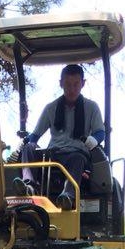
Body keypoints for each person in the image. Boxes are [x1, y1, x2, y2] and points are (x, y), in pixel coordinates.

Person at [16, 64, 106, 208]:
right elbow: (36, 134)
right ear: (61, 84)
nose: (71, 89)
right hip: (53, 154)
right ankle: (29, 187)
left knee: (78, 158)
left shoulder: (91, 107)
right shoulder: (51, 108)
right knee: (28, 148)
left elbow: (100, 132)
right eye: (67, 84)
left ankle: (68, 196)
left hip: (75, 154)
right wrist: (26, 143)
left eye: (76, 84)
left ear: (83, 83)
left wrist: (93, 140)